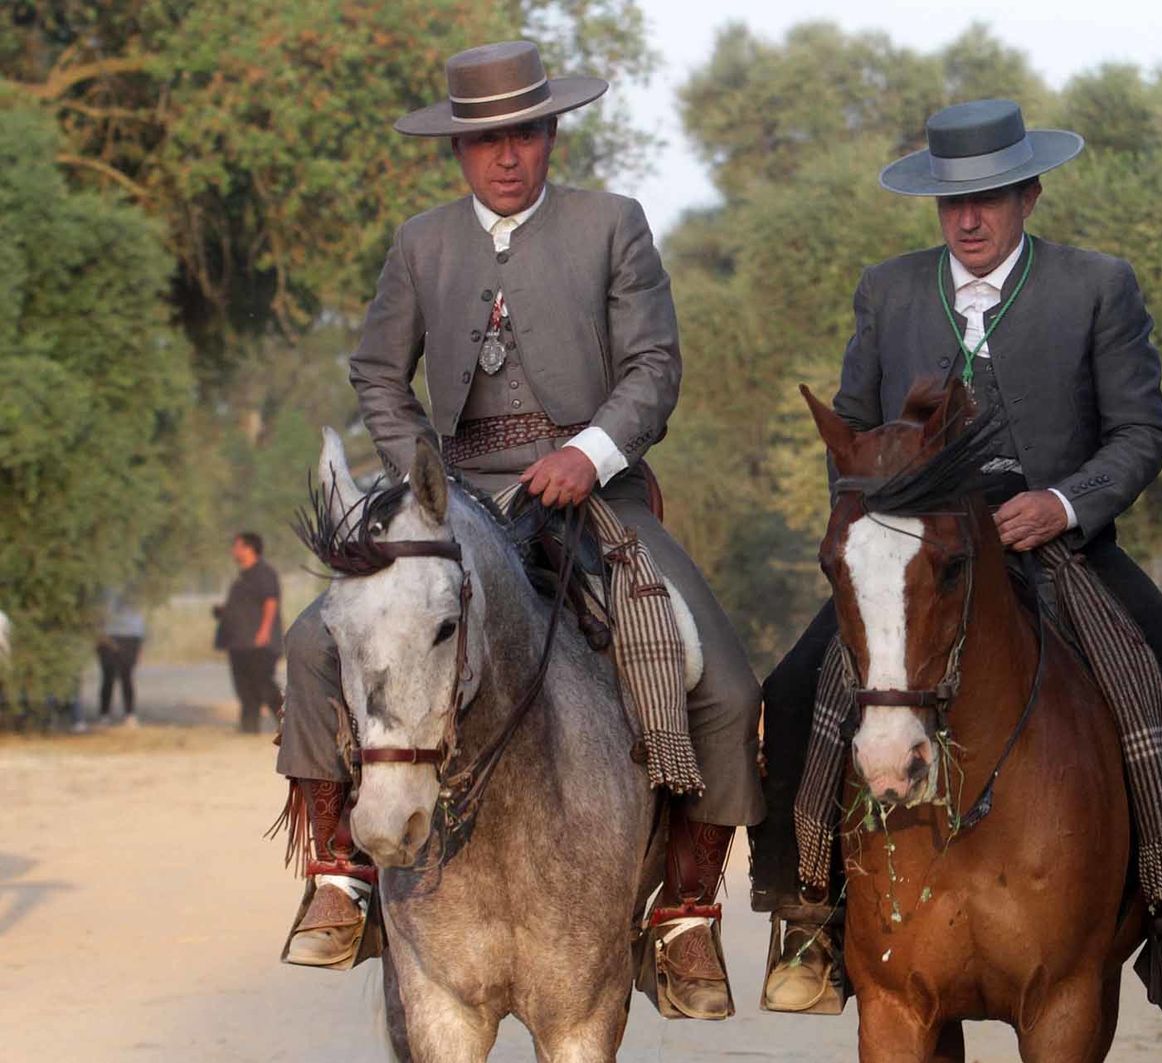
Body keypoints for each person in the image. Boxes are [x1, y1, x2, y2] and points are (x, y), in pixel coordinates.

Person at [272, 41, 763, 1018]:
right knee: (310, 641)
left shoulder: (612, 225)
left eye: (526, 133)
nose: (508, 154)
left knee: (726, 683)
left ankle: (686, 917)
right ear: (461, 148)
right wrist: (424, 475)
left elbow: (654, 367)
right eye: (487, 139)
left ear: (551, 133)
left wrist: (588, 451)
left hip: (589, 491)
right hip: (449, 487)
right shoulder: (422, 242)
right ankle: (341, 874)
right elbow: (378, 369)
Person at [755, 99, 1162, 1026]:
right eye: (951, 202)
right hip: (920, 550)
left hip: (1058, 543)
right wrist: (894, 497)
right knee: (793, 691)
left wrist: (1064, 501)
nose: (967, 219)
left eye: (986, 198)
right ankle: (809, 910)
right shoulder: (889, 289)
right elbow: (850, 435)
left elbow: (1141, 431)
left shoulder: (1098, 286)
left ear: (1027, 193)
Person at [215, 532, 283, 734]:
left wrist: (263, 632)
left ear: (249, 548)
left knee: (263, 684)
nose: (233, 550)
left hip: (259, 642)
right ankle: (248, 728)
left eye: (237, 546)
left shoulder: (263, 573)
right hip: (239, 642)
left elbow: (271, 602)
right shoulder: (242, 576)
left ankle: (289, 724)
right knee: (245, 688)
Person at [96, 591, 145, 726]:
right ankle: (104, 714)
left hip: (130, 635)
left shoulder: (135, 584)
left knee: (127, 676)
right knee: (107, 677)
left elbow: (140, 616)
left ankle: (129, 713)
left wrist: (140, 641)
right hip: (108, 634)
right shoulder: (103, 584)